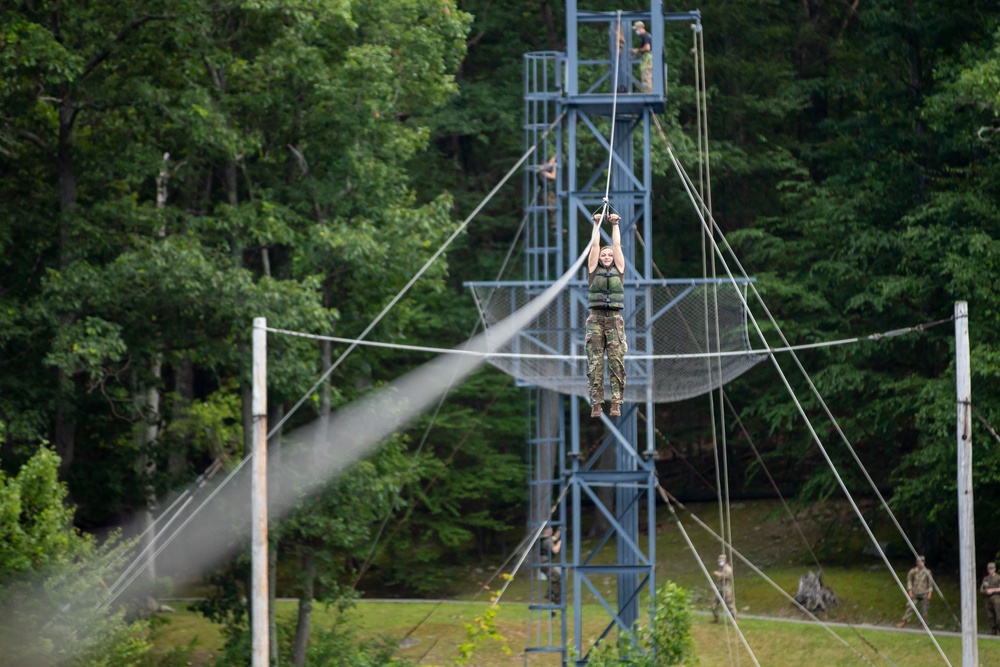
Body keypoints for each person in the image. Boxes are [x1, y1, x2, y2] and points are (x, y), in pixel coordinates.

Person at [586, 211, 626, 418]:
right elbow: (594, 246)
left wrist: (615, 224)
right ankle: (596, 403)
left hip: (614, 320)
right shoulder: (593, 270)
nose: (607, 257)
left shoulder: (619, 270)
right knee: (595, 363)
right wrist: (597, 223)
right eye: (604, 255)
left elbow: (617, 246)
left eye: (609, 255)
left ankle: (616, 402)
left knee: (616, 361)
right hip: (595, 319)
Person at [897, 555, 934, 627]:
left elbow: (930, 583)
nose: (921, 563)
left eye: (922, 561)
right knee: (910, 607)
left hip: (924, 593)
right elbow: (909, 581)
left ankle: (924, 624)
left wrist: (929, 593)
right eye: (919, 562)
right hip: (915, 592)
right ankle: (904, 621)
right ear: (916, 563)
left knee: (924, 610)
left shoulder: (927, 572)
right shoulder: (913, 571)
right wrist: (910, 591)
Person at [540, 525, 562, 608]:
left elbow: (555, 537)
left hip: (543, 563)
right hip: (545, 563)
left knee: (554, 579)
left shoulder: (544, 539)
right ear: (547, 531)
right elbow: (555, 550)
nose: (552, 532)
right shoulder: (548, 541)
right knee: (557, 577)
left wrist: (559, 530)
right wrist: (560, 543)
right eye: (551, 531)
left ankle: (556, 598)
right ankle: (550, 594)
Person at [712, 553, 736, 623]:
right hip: (719, 589)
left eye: (721, 561)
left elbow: (728, 576)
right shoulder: (721, 568)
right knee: (713, 604)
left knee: (730, 605)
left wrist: (719, 574)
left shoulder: (728, 568)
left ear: (725, 561)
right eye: (719, 561)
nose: (720, 562)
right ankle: (716, 619)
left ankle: (734, 620)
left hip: (726, 589)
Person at [631, 21, 653, 93]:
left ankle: (648, 94)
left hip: (648, 58)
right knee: (647, 76)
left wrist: (638, 50)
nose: (636, 32)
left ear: (640, 28)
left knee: (646, 76)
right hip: (648, 57)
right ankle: (647, 91)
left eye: (636, 30)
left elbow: (647, 48)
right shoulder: (647, 36)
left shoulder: (645, 36)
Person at [981, 561, 1000, 635]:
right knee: (990, 616)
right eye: (989, 569)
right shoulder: (986, 578)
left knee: (998, 616)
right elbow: (982, 589)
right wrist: (986, 591)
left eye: (991, 569)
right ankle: (993, 630)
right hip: (988, 599)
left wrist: (993, 590)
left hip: (997, 598)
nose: (990, 570)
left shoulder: (998, 577)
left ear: (994, 569)